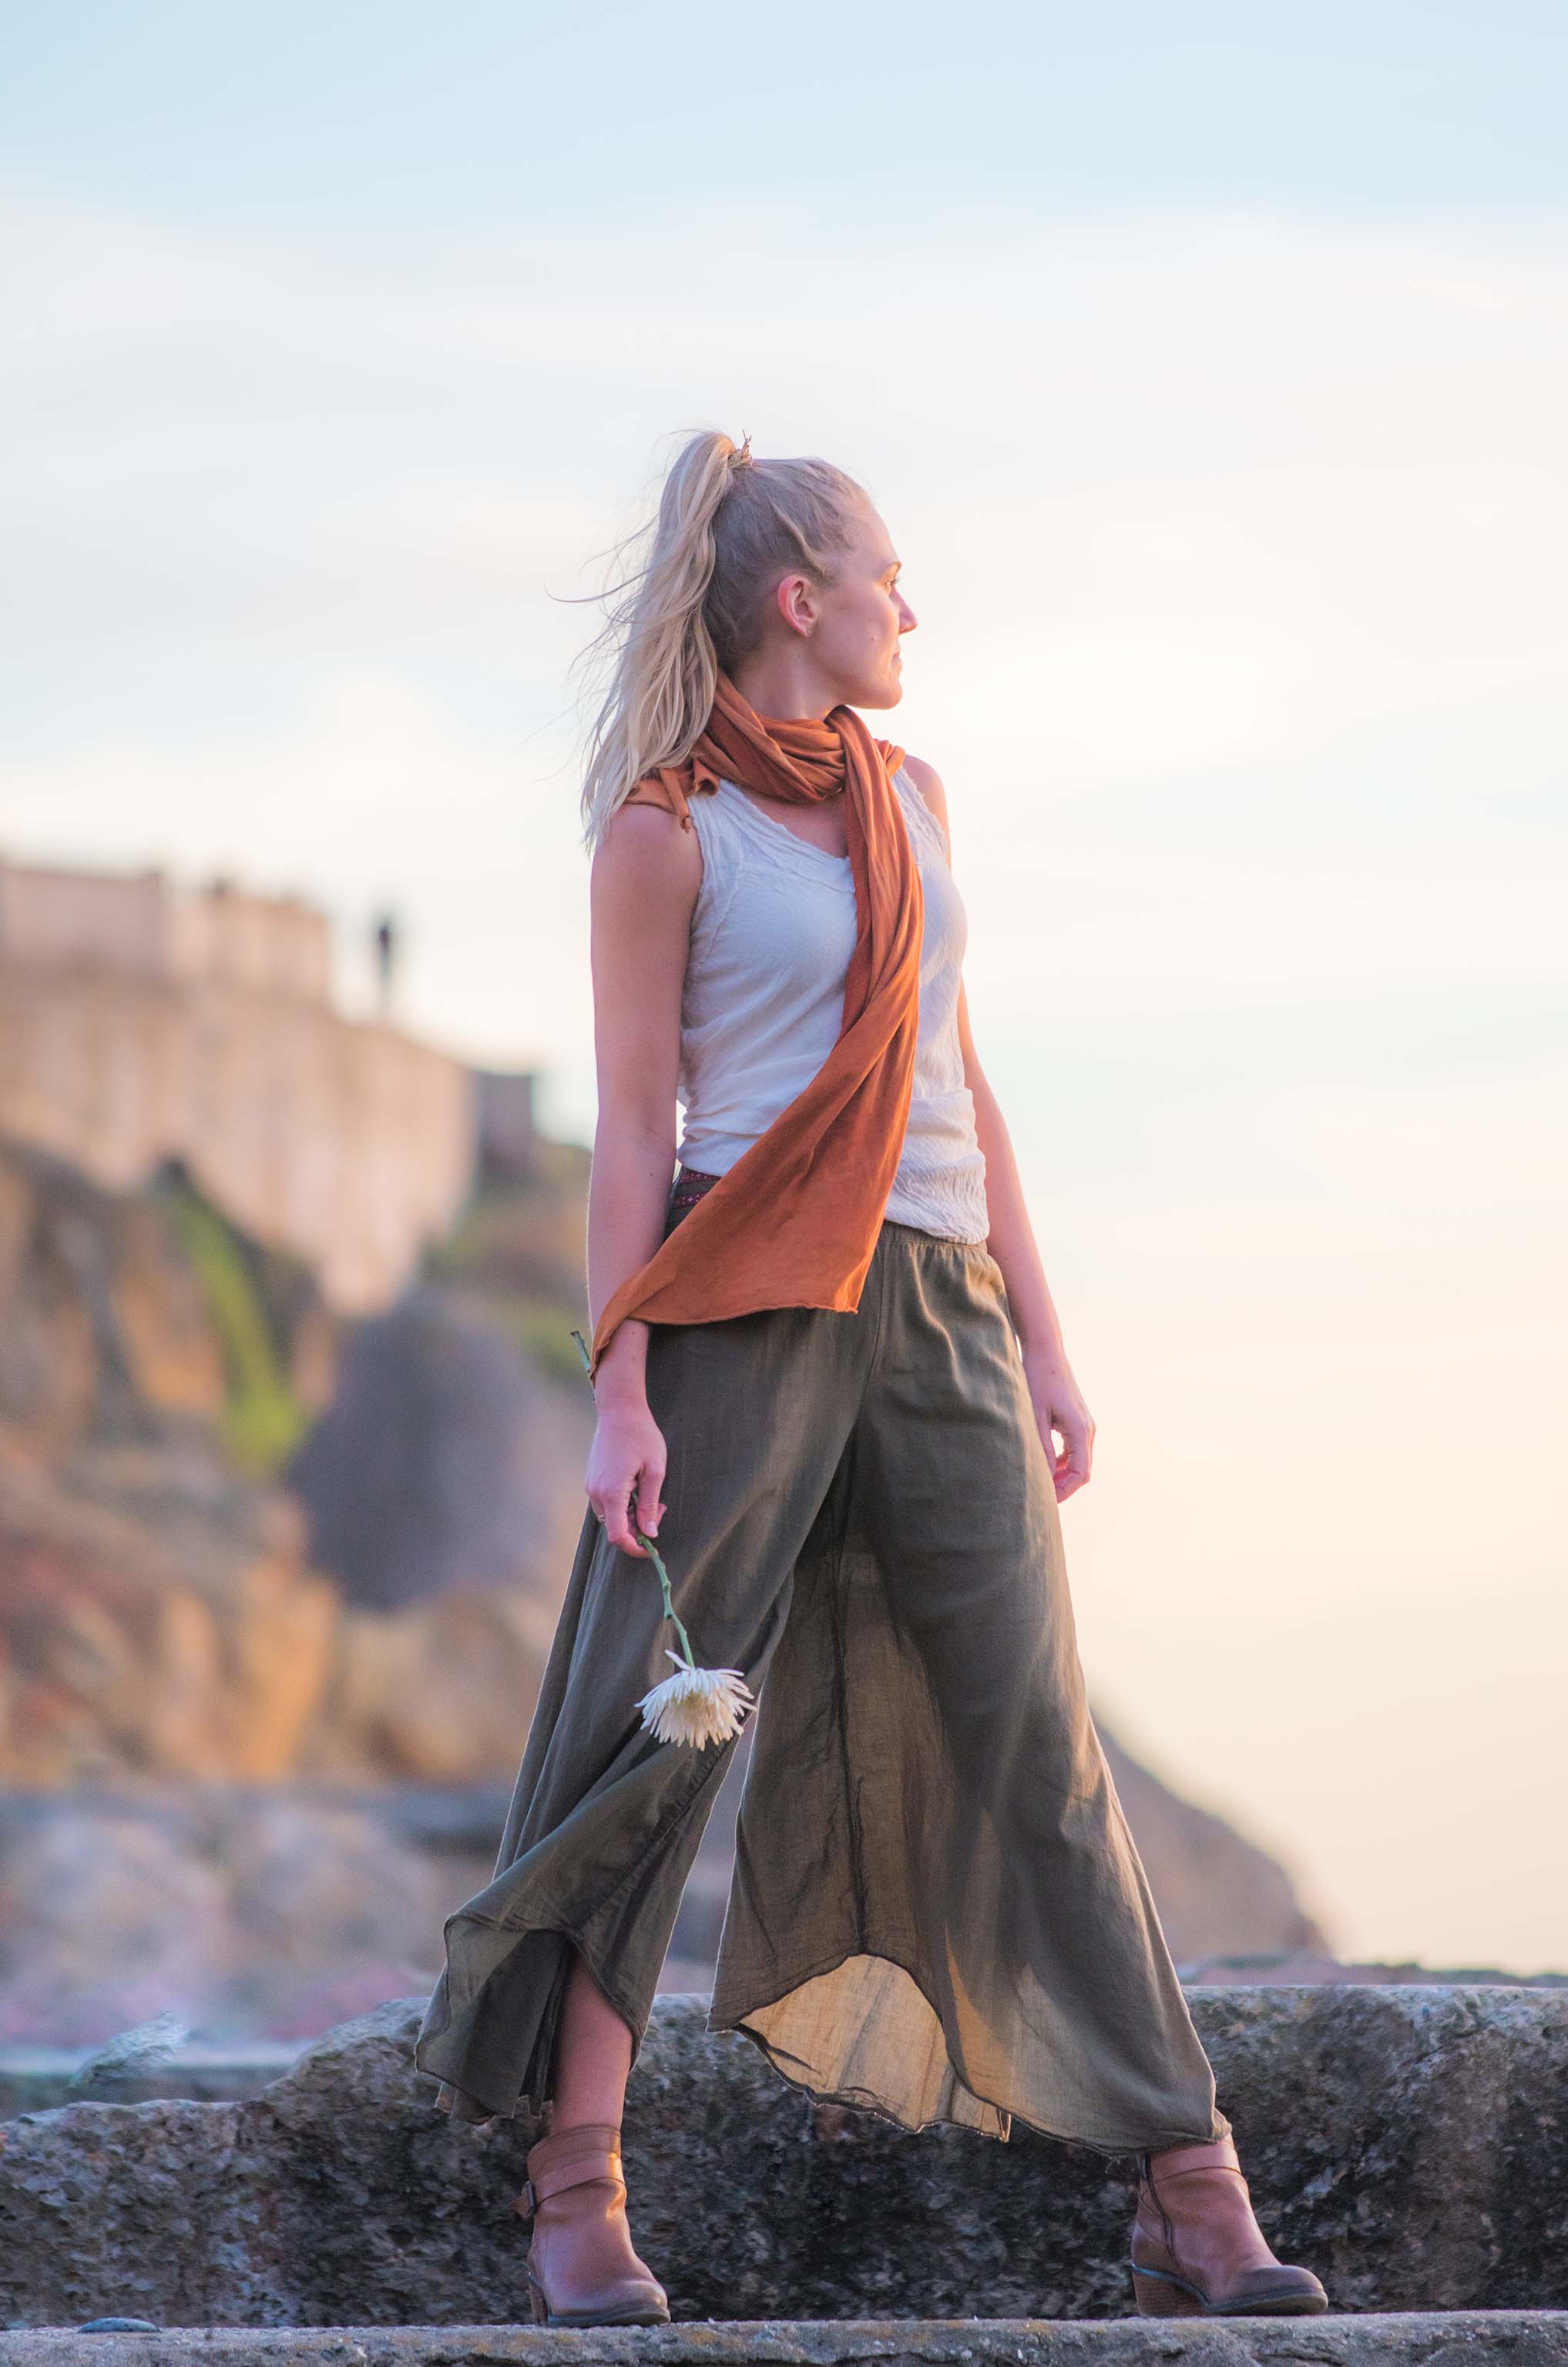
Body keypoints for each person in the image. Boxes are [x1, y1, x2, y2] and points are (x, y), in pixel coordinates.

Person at [414, 431, 1328, 2328]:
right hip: (746, 1299)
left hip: (943, 1310)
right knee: (653, 1733)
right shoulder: (666, 830)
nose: (915, 607)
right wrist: (619, 1387)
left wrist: (1046, 1338)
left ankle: (1190, 2188)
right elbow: (629, 1130)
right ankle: (575, 2194)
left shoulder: (913, 801)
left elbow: (960, 1087)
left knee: (1034, 1741)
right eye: (888, 575)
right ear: (795, 599)